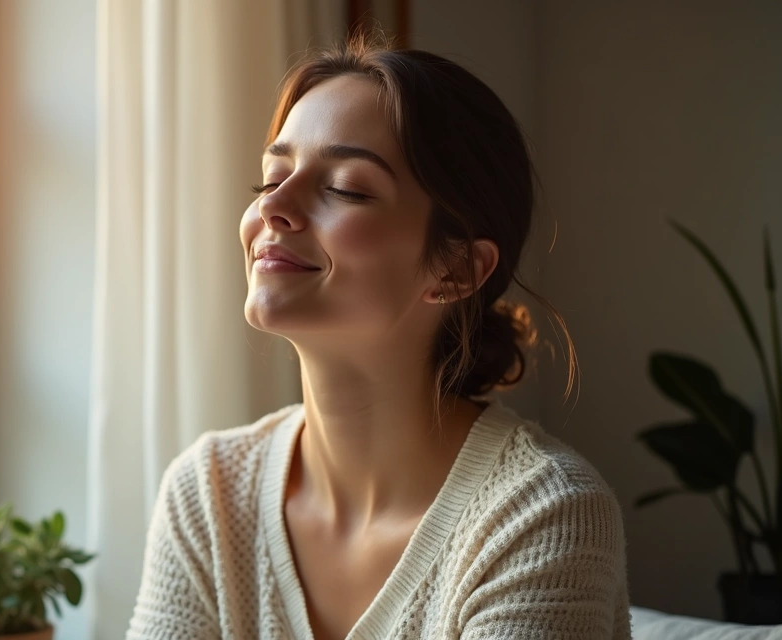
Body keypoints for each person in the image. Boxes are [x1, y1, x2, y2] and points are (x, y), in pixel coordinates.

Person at [127, 35, 631, 640]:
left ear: (456, 270)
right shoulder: (208, 494)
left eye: (346, 188)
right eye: (271, 178)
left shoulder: (542, 516)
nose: (274, 208)